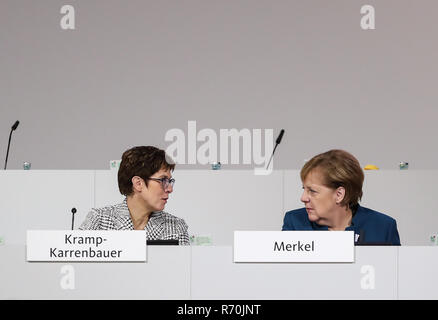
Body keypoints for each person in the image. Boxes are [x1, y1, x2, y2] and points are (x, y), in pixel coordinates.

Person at [282, 149, 401, 245]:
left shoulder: (383, 227)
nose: (303, 198)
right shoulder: (294, 223)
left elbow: (394, 273)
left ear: (339, 195)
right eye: (304, 189)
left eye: (312, 191)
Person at [79, 146, 190, 245]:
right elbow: (78, 265)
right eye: (163, 180)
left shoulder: (176, 227)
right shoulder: (99, 220)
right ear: (138, 183)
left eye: (169, 181)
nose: (170, 189)